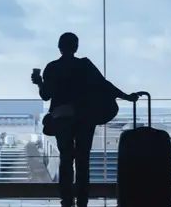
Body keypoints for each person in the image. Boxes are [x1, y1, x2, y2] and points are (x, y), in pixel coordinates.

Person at [31, 32, 138, 207]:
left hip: (62, 119)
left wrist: (39, 82)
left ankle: (66, 201)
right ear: (76, 47)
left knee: (66, 160)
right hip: (84, 119)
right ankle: (82, 201)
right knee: (83, 161)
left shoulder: (52, 68)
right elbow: (105, 85)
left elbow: (45, 95)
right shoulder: (85, 66)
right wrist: (127, 97)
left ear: (59, 47)